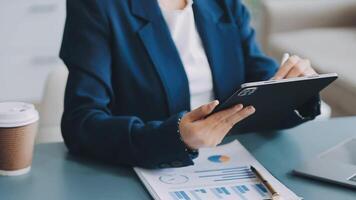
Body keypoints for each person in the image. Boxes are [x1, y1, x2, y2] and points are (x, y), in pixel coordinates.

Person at [60, 0, 320, 168]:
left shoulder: (225, 5)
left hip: (231, 165)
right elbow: (80, 122)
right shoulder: (98, 6)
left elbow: (261, 83)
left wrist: (297, 87)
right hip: (139, 170)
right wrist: (176, 137)